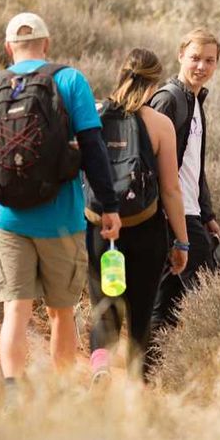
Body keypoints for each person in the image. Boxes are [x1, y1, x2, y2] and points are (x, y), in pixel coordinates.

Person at [0, 12, 121, 408]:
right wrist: (109, 205)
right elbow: (94, 151)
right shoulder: (69, 80)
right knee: (62, 313)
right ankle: (59, 396)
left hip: (10, 220)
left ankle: (14, 394)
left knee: (15, 308)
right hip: (61, 220)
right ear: (46, 45)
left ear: (8, 47)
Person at [85, 49, 190, 385]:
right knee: (141, 312)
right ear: (153, 82)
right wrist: (182, 242)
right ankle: (136, 385)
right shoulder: (160, 124)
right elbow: (172, 189)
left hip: (99, 228)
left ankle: (99, 365)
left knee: (104, 305)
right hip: (145, 230)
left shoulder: (92, 113)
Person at [148, 28, 220, 339]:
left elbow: (196, 166)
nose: (201, 66)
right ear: (180, 56)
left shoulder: (195, 101)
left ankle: (153, 367)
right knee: (174, 294)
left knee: (172, 295)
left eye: (209, 60)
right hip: (170, 213)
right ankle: (147, 370)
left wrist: (207, 215)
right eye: (195, 58)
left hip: (190, 212)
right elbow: (149, 161)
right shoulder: (169, 99)